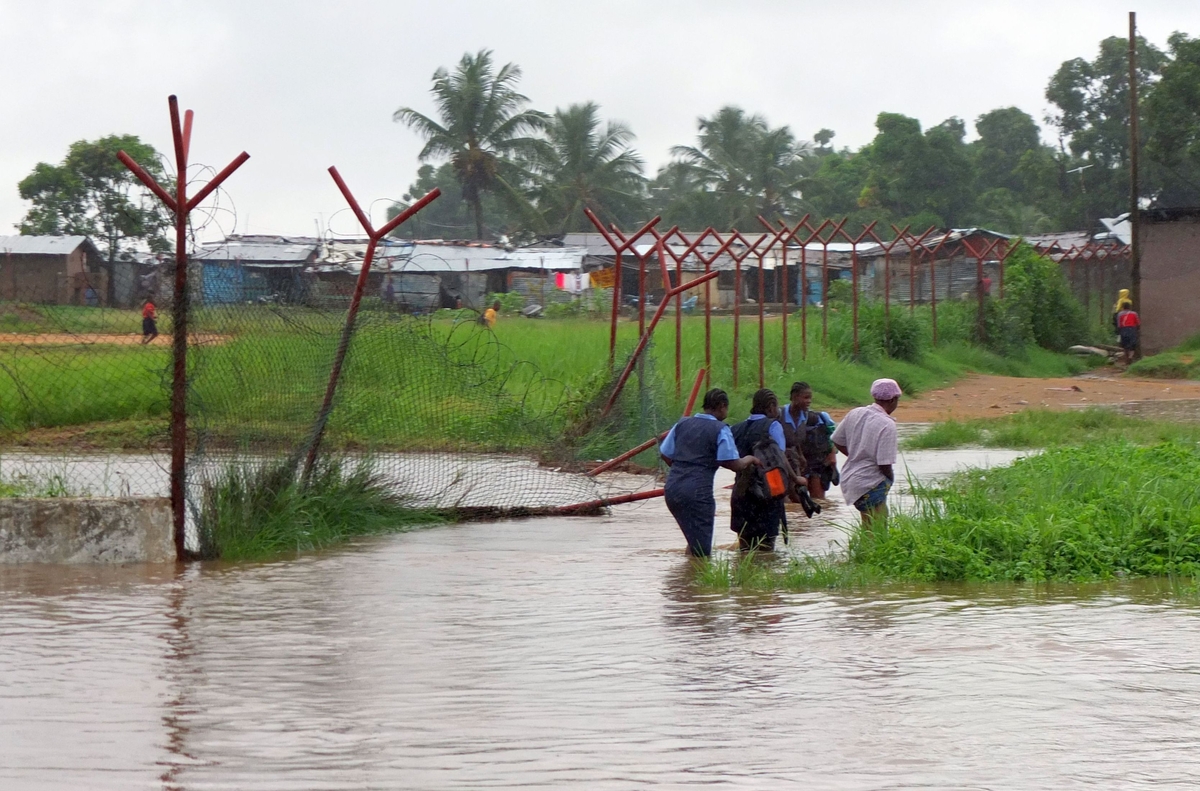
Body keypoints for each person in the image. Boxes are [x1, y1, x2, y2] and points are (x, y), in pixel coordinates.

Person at [660, 388, 761, 558]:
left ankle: (685, 579)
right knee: (702, 552)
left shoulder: (682, 423)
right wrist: (750, 459)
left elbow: (665, 453)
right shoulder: (720, 429)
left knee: (694, 541)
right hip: (698, 493)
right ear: (722, 406)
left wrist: (683, 468)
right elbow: (732, 463)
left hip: (672, 489)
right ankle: (696, 582)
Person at [831, 378, 901, 528]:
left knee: (868, 524)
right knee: (877, 527)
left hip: (851, 480)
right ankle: (872, 551)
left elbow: (836, 439)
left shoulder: (855, 413)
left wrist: (855, 456)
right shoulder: (887, 424)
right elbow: (884, 463)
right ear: (893, 399)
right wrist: (890, 479)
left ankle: (865, 551)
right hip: (870, 481)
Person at [728, 389, 791, 552]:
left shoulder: (735, 429)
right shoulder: (773, 426)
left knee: (745, 551)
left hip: (741, 495)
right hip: (767, 495)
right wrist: (796, 480)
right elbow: (780, 459)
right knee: (766, 552)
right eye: (776, 407)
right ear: (770, 407)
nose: (778, 411)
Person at [780, 381, 838, 499]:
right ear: (794, 397)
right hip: (786, 463)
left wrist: (832, 455)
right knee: (792, 499)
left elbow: (831, 434)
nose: (809, 401)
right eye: (806, 397)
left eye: (810, 398)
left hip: (810, 462)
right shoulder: (779, 415)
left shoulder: (813, 417)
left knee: (817, 500)